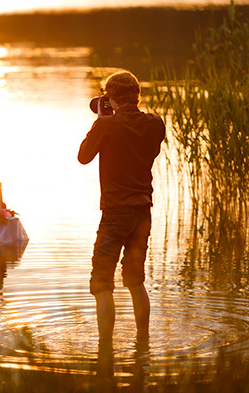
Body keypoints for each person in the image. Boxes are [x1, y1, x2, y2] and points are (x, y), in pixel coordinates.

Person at [77, 70, 165, 350]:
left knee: (102, 283)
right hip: (143, 212)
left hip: (115, 213)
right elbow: (149, 152)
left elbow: (83, 157)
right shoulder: (155, 123)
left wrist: (101, 122)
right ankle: (143, 343)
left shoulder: (106, 126)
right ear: (137, 94)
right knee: (135, 279)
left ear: (111, 96)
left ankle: (105, 350)